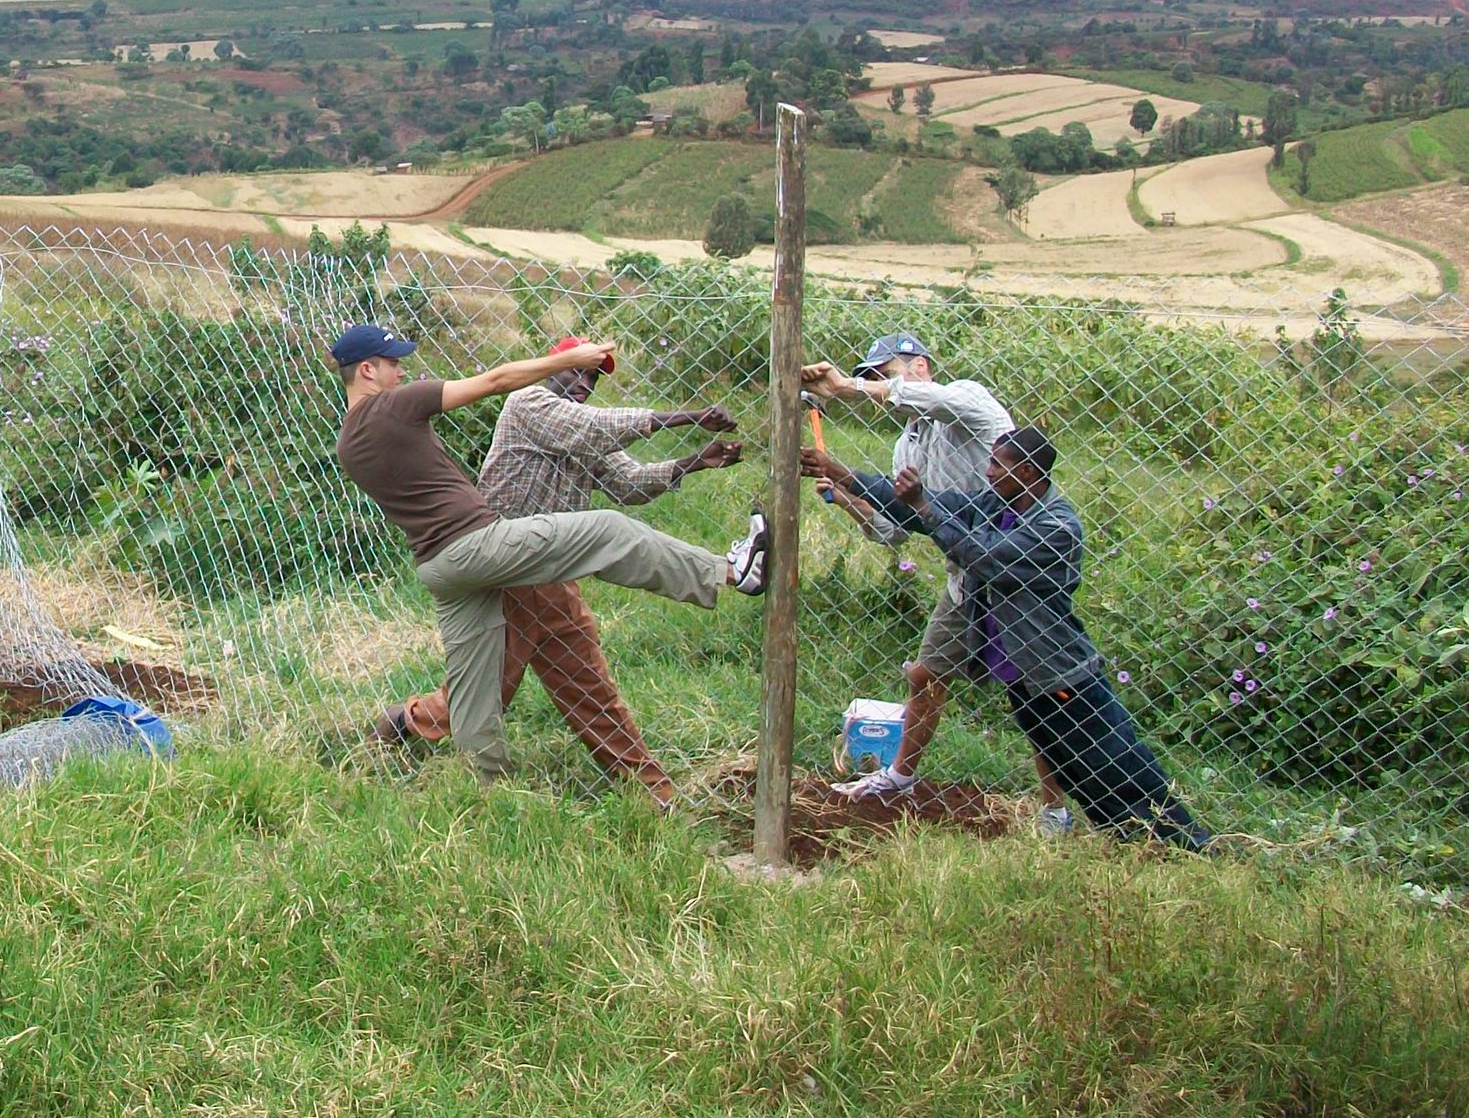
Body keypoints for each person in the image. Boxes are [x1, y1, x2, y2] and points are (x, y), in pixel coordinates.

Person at [333, 321, 769, 784]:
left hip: (448, 569)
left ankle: (484, 797)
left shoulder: (348, 443)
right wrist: (680, 410)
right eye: (394, 364)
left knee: (483, 699)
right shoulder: (516, 404)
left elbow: (627, 481)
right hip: (494, 556)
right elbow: (500, 382)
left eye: (593, 377)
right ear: (367, 370)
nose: (402, 372)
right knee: (608, 531)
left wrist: (693, 461)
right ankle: (730, 571)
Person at [802, 425, 1209, 849]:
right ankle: (1134, 842)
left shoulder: (1056, 525)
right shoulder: (998, 503)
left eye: (999, 464)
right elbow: (935, 510)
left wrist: (923, 504)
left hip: (1061, 675)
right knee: (1074, 768)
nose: (990, 471)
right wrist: (846, 476)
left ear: (1031, 473)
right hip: (1023, 673)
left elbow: (984, 555)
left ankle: (1186, 842)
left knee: (1112, 762)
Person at [800, 332, 1047, 811]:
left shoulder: (968, 402)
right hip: (966, 577)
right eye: (870, 378)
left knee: (1034, 695)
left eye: (883, 374)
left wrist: (847, 388)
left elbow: (932, 400)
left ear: (920, 368)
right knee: (926, 674)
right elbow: (892, 531)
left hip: (1015, 573)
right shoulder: (905, 447)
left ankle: (1054, 808)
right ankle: (899, 778)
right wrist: (845, 495)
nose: (875, 386)